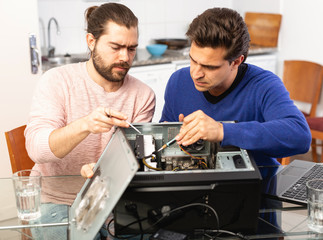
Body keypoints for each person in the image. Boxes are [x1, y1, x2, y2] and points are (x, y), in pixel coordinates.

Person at [160, 7, 311, 166]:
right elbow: (166, 137)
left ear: (237, 62)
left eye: (209, 67)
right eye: (193, 60)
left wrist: (222, 131)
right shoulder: (178, 81)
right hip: (193, 183)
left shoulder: (264, 85)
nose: (196, 74)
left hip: (257, 185)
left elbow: (300, 136)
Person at [25, 3, 155, 179]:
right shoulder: (57, 80)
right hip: (57, 197)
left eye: (131, 49)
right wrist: (85, 125)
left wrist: (106, 169)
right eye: (115, 47)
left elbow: (136, 160)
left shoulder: (143, 96)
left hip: (111, 193)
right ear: (91, 42)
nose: (125, 57)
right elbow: (37, 151)